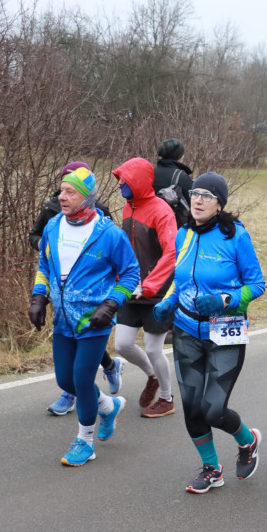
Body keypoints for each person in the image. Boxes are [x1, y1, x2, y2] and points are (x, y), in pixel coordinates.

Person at [152, 172, 266, 493]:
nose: (198, 199)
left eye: (207, 195)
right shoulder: (183, 234)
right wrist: (169, 301)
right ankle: (212, 469)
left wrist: (224, 299)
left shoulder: (236, 237)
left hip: (225, 330)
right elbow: (181, 278)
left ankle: (247, 440)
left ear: (219, 205)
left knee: (213, 410)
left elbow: (256, 285)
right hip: (187, 329)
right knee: (191, 408)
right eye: (195, 193)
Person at [29, 166, 140, 466]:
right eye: (61, 190)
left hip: (94, 320)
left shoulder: (108, 234)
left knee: (81, 377)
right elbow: (45, 266)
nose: (61, 196)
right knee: (66, 381)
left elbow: (130, 273)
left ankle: (85, 442)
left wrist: (111, 304)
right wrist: (39, 296)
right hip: (64, 319)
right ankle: (108, 405)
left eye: (70, 192)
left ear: (87, 198)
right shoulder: (53, 226)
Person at [112, 157, 178, 418]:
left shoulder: (161, 211)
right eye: (119, 182)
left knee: (153, 348)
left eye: (125, 182)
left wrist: (150, 285)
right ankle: (152, 376)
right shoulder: (128, 208)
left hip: (157, 292)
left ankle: (166, 398)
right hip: (131, 288)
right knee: (123, 345)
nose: (120, 187)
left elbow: (172, 253)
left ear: (138, 182)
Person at [152, 138, 194, 229]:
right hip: (173, 230)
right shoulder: (181, 177)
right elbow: (193, 207)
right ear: (180, 156)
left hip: (150, 227)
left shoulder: (150, 173)